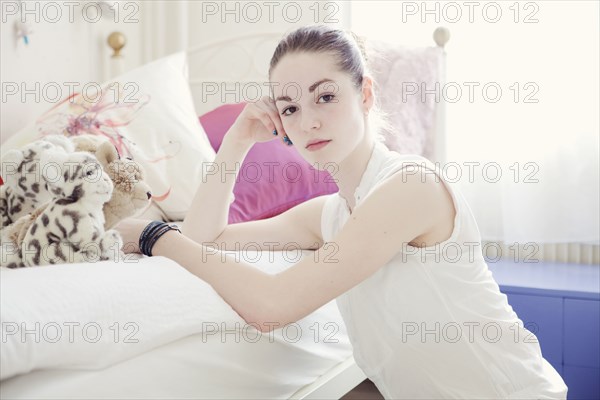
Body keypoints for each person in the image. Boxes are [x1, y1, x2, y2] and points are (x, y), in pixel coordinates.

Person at [115, 25, 568, 399]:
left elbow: (273, 305)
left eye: (325, 97)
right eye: (289, 108)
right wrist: (236, 142)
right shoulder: (329, 215)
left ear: (366, 93)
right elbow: (206, 241)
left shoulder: (410, 186)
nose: (307, 121)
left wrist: (156, 235)